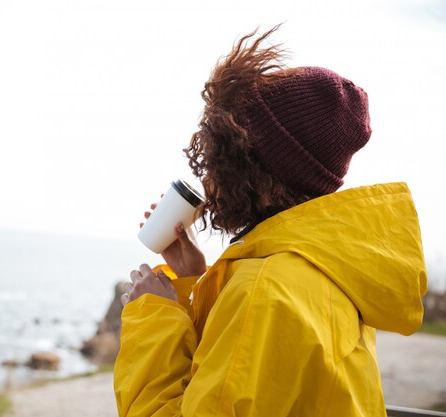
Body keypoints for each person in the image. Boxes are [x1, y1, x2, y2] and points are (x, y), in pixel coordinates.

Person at [114, 27, 427, 417]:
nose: (208, 171)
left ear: (249, 167)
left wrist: (153, 319)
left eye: (218, 153)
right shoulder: (324, 269)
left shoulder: (263, 291)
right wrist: (194, 282)